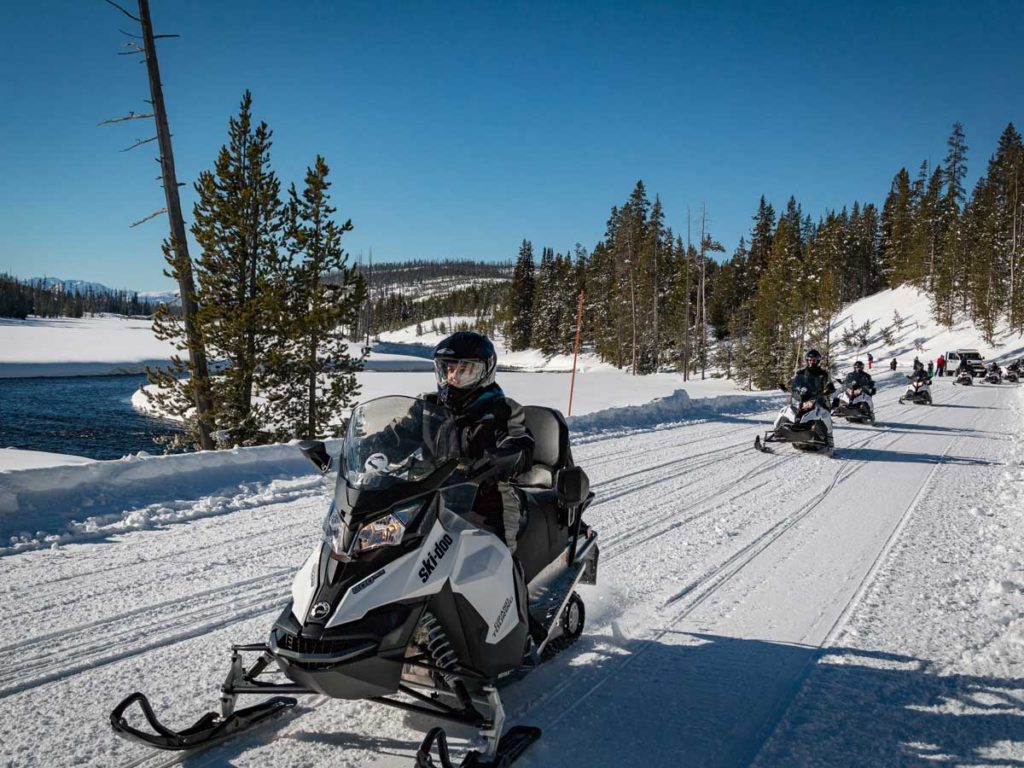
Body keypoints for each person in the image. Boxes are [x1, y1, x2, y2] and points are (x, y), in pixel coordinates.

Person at [430, 331, 534, 553]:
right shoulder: (430, 408)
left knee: (495, 557)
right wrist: (372, 445)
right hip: (432, 496)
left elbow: (520, 440)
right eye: (449, 370)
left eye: (463, 370)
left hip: (486, 498)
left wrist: (507, 455)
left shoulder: (502, 409)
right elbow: (399, 434)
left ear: (483, 372)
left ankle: (511, 585)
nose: (454, 378)